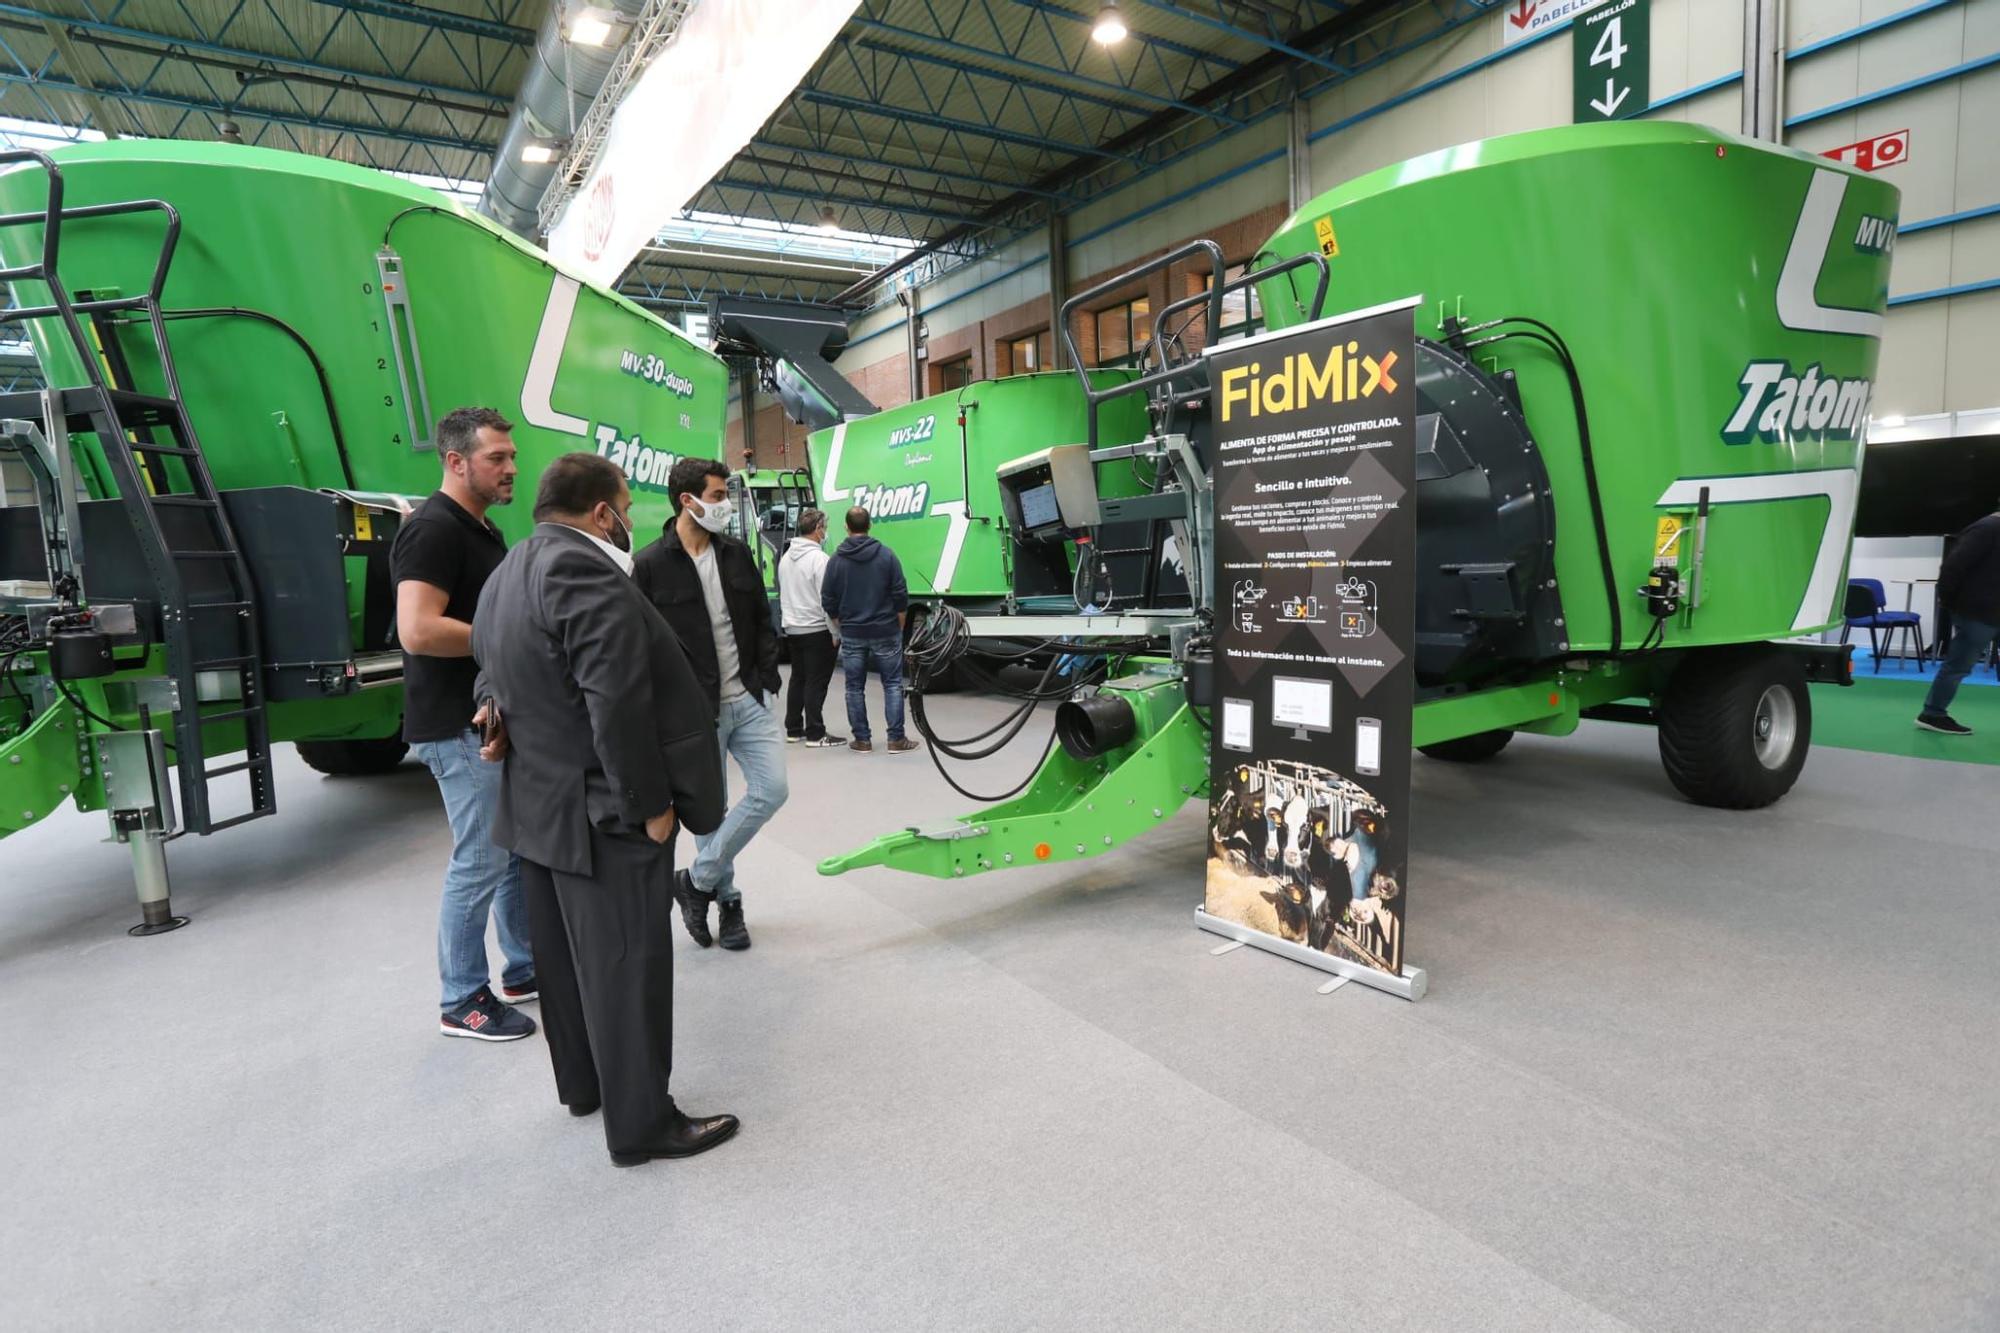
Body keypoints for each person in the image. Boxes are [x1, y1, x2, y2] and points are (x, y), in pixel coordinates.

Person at [471, 452, 738, 1167]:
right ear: (601, 512)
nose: (630, 520)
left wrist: (494, 718)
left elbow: (491, 664)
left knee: (564, 966)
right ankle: (645, 1122)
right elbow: (612, 697)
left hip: (538, 809)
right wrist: (648, 804)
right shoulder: (583, 570)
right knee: (628, 964)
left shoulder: (508, 572)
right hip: (603, 813)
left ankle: (587, 1087)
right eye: (625, 506)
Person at [390, 405, 536, 1043]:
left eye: (510, 456)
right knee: (480, 859)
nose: (510, 468)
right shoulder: (433, 530)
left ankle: (525, 968)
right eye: (496, 458)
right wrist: (503, 641)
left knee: (510, 855)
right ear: (456, 462)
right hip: (454, 725)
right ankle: (461, 999)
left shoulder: (481, 529)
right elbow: (418, 629)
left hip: (485, 718)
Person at [633, 457, 787, 952]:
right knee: (710, 812)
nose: (724, 506)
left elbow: (763, 620)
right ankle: (728, 903)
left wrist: (765, 678)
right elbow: (641, 647)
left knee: (772, 789)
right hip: (695, 713)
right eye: (718, 496)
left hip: (747, 698)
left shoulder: (737, 554)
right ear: (688, 500)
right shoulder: (650, 565)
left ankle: (695, 882)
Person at [821, 506, 920, 754]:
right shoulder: (887, 556)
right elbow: (900, 593)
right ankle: (896, 739)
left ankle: (862, 740)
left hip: (853, 632)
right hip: (885, 629)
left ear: (846, 527)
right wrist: (899, 622)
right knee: (893, 684)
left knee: (854, 687)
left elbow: (828, 598)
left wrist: (839, 623)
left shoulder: (836, 560)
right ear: (869, 525)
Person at [1916, 509, 2000, 735]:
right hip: (1978, 611)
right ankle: (1932, 714)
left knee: (1958, 666)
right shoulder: (1986, 529)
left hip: (1990, 610)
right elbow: (1953, 567)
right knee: (1958, 666)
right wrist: (1949, 601)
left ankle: (1933, 712)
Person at [777, 507, 844, 748]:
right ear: (817, 529)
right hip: (817, 629)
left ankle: (793, 728)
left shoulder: (785, 559)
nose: (825, 532)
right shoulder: (820, 559)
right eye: (824, 527)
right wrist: (835, 632)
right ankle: (816, 732)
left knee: (798, 678)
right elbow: (826, 600)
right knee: (816, 681)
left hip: (793, 628)